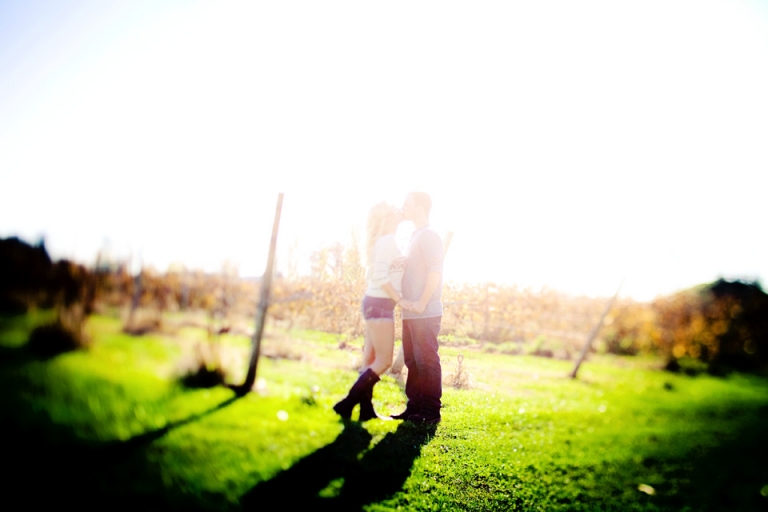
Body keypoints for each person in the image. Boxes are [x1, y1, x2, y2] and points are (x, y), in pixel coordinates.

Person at [333, 202, 406, 421]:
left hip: (375, 302)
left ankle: (365, 411)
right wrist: (401, 300)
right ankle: (346, 404)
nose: (399, 210)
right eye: (395, 210)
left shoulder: (384, 241)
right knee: (384, 361)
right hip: (380, 304)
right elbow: (381, 277)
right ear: (387, 218)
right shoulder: (387, 241)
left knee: (370, 360)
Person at [394, 191, 444, 424]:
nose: (403, 207)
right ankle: (414, 407)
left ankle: (431, 412)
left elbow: (435, 271)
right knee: (412, 361)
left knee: (427, 361)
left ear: (420, 208)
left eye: (407, 204)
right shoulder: (415, 236)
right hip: (411, 311)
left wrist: (422, 302)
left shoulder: (430, 235)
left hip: (425, 310)